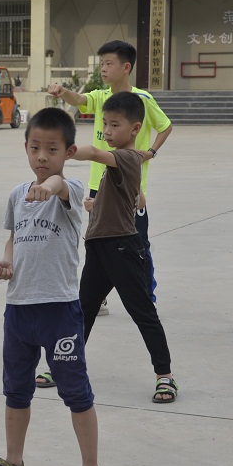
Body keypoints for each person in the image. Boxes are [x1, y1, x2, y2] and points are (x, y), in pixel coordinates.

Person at [0, 108, 110, 466]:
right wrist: (7, 260)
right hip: (18, 309)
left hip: (60, 311)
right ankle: (13, 463)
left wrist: (51, 185)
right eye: (35, 148)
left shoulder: (72, 189)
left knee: (77, 393)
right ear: (25, 147)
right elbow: (13, 238)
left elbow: (58, 186)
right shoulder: (18, 194)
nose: (41, 156)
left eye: (52, 149)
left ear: (69, 152)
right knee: (16, 391)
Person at [49, 40, 172, 308]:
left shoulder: (142, 100)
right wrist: (62, 91)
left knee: (138, 243)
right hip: (98, 186)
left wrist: (150, 152)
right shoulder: (101, 96)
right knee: (97, 241)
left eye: (109, 63)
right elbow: (80, 100)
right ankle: (98, 295)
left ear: (126, 67)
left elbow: (165, 126)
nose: (103, 68)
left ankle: (145, 296)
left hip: (129, 188)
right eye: (101, 63)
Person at [72, 92, 177, 404]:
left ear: (135, 129)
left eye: (114, 125)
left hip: (121, 249)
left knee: (142, 311)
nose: (107, 130)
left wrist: (68, 150)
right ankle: (66, 363)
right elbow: (133, 200)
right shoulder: (124, 162)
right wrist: (95, 204)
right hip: (100, 249)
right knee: (83, 310)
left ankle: (165, 376)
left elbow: (95, 153)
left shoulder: (128, 157)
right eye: (104, 124)